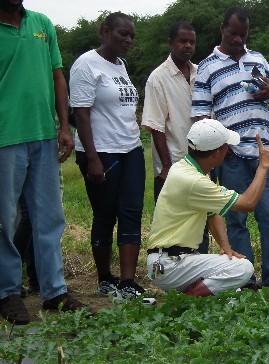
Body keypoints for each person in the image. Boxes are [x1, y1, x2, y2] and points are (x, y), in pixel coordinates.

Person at [0, 0, 88, 325]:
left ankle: (54, 293)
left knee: (50, 217)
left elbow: (58, 77)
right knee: (3, 221)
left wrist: (64, 127)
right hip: (4, 138)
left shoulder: (42, 24)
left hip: (43, 135)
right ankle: (7, 293)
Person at [191, 7, 269, 297]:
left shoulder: (258, 59)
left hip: (263, 156)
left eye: (243, 34)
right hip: (230, 156)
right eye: (233, 33)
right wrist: (222, 150)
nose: (238, 39)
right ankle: (244, 281)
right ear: (222, 29)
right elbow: (200, 118)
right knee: (236, 221)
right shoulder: (206, 67)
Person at [146, 119, 269, 297]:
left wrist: (226, 247)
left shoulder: (186, 169)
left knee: (230, 272)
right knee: (243, 269)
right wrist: (263, 167)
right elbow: (248, 203)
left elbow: (212, 213)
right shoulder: (194, 181)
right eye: (226, 146)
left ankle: (190, 292)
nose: (229, 150)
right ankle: (188, 300)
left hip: (168, 261)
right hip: (170, 264)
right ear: (217, 153)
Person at [70, 12, 146, 301]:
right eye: (122, 34)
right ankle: (104, 279)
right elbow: (81, 113)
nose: (128, 40)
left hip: (131, 148)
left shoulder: (120, 65)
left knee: (131, 212)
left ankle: (127, 281)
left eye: (131, 36)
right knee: (105, 215)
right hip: (101, 152)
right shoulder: (87, 64)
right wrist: (92, 158)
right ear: (104, 32)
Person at [141, 21, 209, 254]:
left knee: (200, 222)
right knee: (173, 226)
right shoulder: (158, 78)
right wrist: (167, 165)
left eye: (191, 41)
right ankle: (173, 279)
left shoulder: (201, 73)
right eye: (182, 41)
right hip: (173, 166)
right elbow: (156, 125)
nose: (188, 45)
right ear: (171, 43)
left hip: (200, 165)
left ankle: (200, 277)